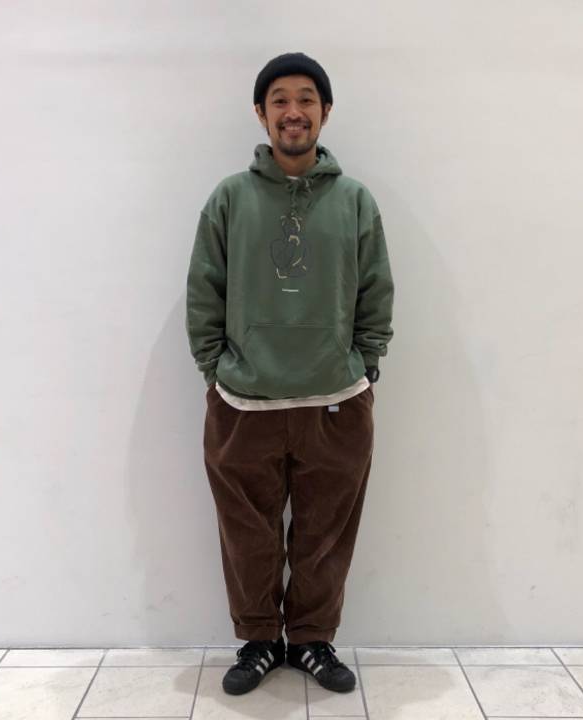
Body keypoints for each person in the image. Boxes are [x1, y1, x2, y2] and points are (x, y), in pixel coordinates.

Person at [185, 51, 394, 696]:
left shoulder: (354, 200)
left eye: (306, 99)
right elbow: (204, 290)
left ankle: (310, 640)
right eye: (280, 100)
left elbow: (375, 289)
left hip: (335, 400)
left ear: (325, 112)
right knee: (246, 535)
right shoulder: (230, 198)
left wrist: (365, 364)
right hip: (244, 403)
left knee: (325, 534)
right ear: (261, 113)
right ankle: (257, 642)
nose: (293, 111)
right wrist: (215, 370)